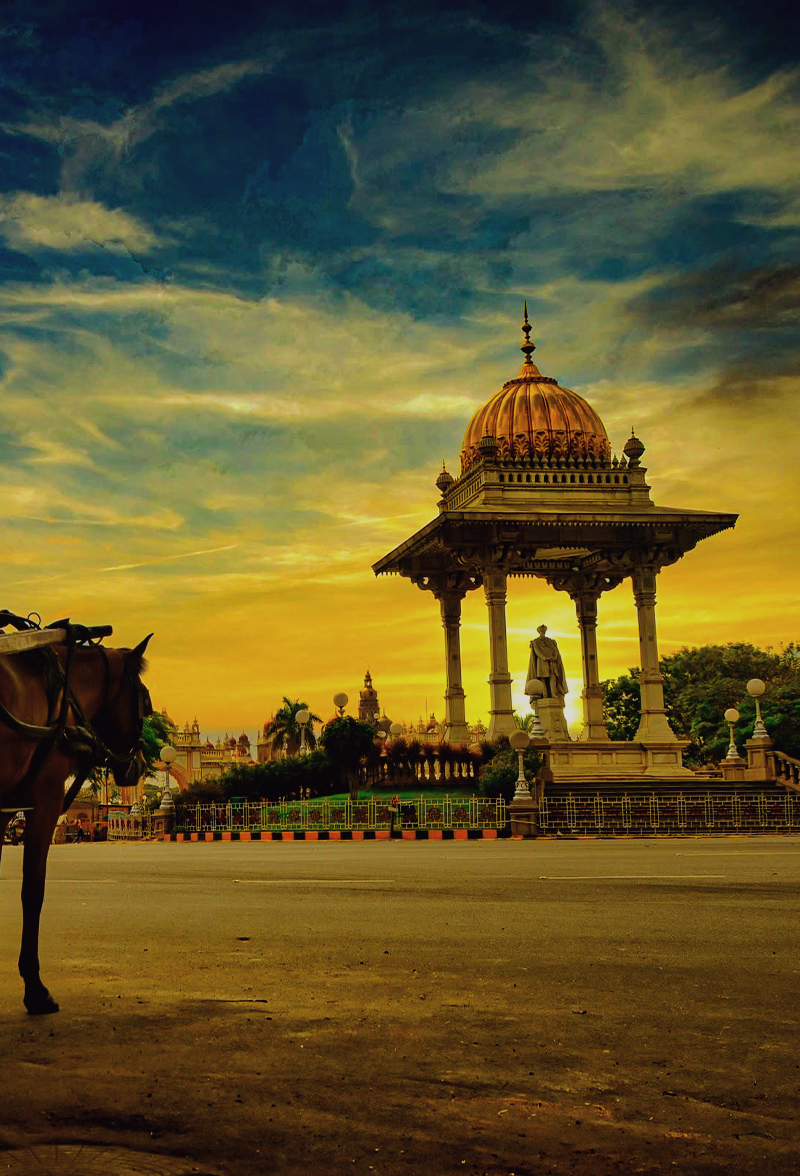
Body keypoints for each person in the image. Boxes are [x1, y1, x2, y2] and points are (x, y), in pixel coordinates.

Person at [527, 625, 568, 699]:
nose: (542, 632)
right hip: (542, 662)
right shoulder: (535, 642)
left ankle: (553, 694)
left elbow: (555, 651)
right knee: (543, 679)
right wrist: (545, 658)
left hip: (551, 662)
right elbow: (537, 651)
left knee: (552, 677)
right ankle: (544, 695)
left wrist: (553, 657)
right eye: (541, 631)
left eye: (543, 630)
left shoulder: (551, 641)